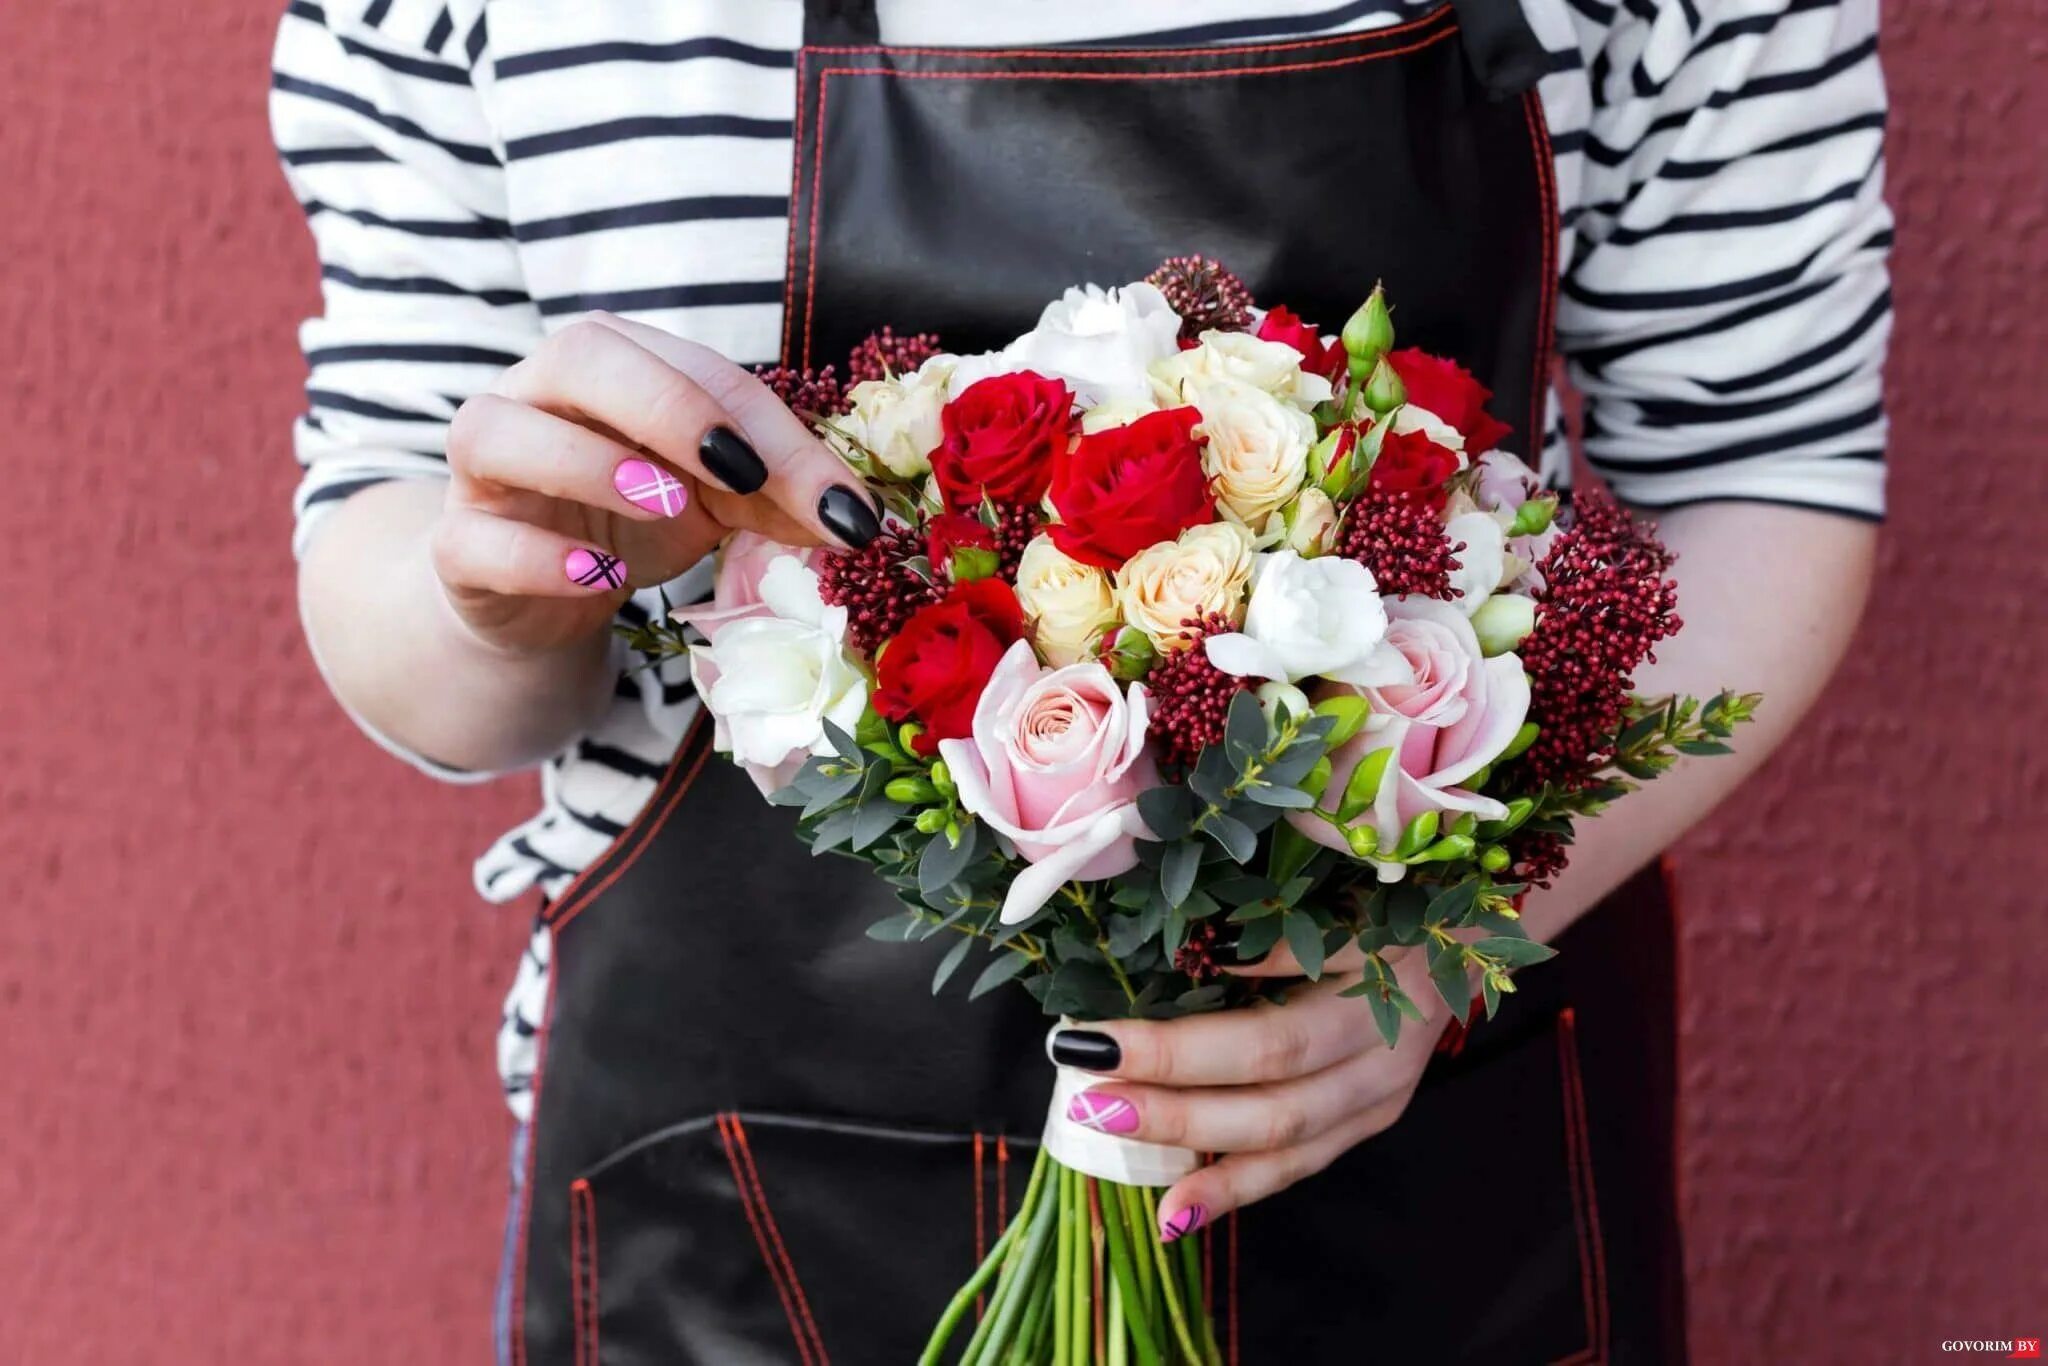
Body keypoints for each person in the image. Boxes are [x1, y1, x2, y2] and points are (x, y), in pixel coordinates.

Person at [271, 0, 1889, 1360]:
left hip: (1424, 1174)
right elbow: (406, 572)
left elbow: (1768, 463)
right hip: (729, 1217)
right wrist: (501, 588)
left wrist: (1440, 948)